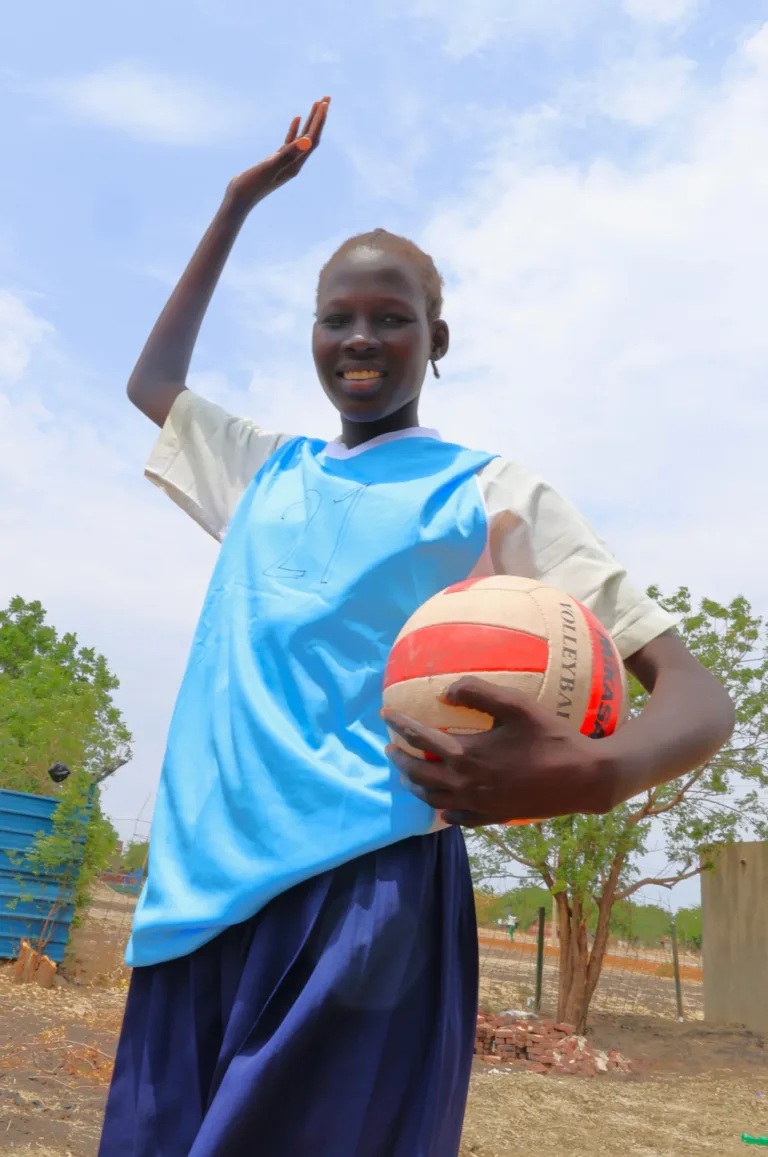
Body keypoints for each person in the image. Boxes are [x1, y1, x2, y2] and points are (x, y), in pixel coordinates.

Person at [98, 97, 734, 1157]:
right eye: (335, 315)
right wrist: (235, 203)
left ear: (435, 341)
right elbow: (152, 382)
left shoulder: (488, 492)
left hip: (364, 892)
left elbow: (695, 691)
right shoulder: (266, 472)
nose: (359, 336)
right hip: (191, 897)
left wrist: (585, 774)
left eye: (390, 317)